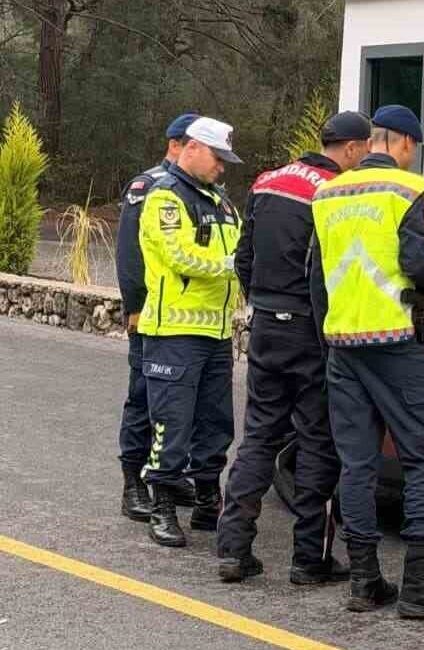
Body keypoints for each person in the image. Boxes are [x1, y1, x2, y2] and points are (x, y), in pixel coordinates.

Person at [310, 104, 424, 618]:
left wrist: (331, 337)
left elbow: (316, 277)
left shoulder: (326, 193)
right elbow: (415, 262)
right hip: (398, 343)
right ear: (405, 143)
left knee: (358, 464)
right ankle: (420, 581)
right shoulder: (410, 190)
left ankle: (364, 579)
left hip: (344, 345)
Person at [217, 111, 372, 583]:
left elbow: (244, 258)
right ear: (349, 148)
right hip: (311, 330)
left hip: (265, 324)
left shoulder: (267, 181)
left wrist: (263, 302)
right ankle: (310, 559)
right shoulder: (334, 191)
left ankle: (233, 549)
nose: (365, 158)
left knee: (260, 436)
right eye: (364, 149)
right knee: (317, 442)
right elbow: (336, 272)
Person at [136, 116, 243, 547]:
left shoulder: (222, 202)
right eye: (218, 158)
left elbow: (241, 247)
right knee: (172, 423)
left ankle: (205, 499)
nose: (222, 167)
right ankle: (161, 503)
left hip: (216, 333)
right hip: (173, 332)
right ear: (193, 149)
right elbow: (179, 256)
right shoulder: (165, 196)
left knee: (216, 423)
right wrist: (231, 267)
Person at [116, 113, 199, 522]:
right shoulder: (146, 186)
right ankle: (133, 481)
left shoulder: (197, 189)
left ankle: (167, 474)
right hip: (150, 313)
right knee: (143, 397)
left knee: (178, 404)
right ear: (177, 144)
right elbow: (130, 257)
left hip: (183, 320)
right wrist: (134, 307)